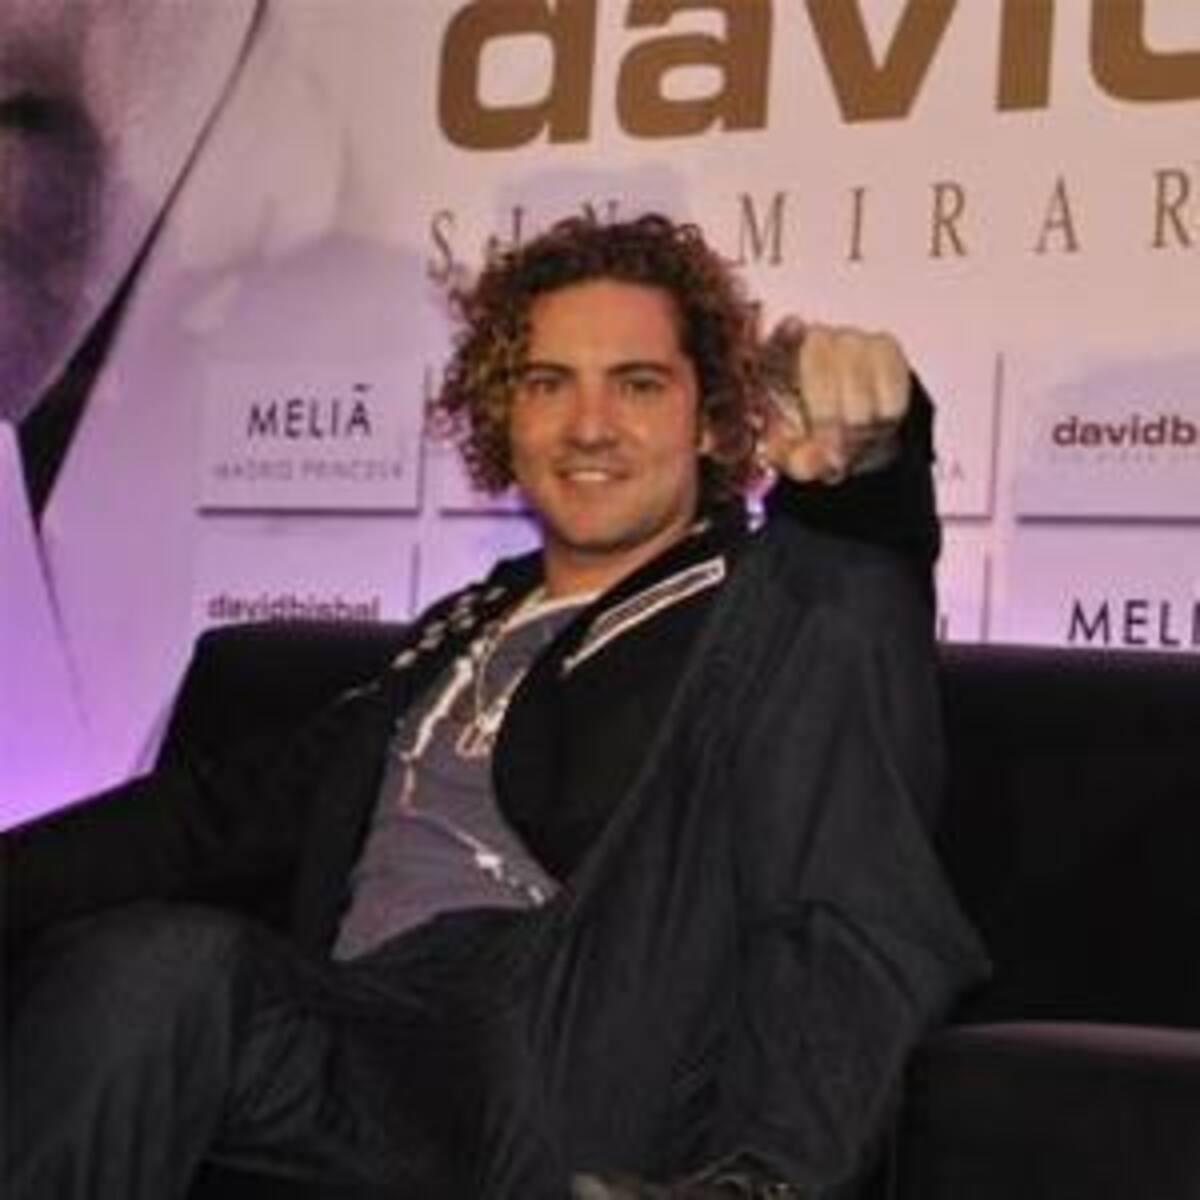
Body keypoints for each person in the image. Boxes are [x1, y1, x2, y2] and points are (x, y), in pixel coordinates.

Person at [4, 213, 988, 1200]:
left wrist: (870, 463)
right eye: (548, 382)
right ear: (503, 417)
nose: (590, 425)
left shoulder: (753, 603)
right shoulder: (458, 625)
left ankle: (764, 1187)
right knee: (151, 967)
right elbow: (216, 810)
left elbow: (858, 584)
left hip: (579, 1018)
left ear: (708, 419)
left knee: (837, 596)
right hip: (374, 1044)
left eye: (638, 384)